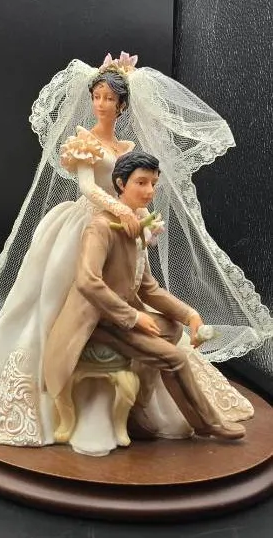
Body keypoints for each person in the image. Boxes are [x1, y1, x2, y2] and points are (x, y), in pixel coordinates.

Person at [0, 53, 259, 450]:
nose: (102, 104)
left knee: (152, 308)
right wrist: (121, 210)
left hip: (126, 227)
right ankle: (66, 373)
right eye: (98, 97)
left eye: (110, 98)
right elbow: (89, 188)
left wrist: (137, 221)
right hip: (90, 221)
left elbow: (146, 284)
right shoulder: (84, 143)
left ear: (122, 105)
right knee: (52, 296)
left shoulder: (128, 151)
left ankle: (141, 407)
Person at [44, 151, 244, 440]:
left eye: (153, 183)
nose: (150, 190)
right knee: (175, 358)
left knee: (172, 328)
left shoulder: (137, 226)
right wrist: (134, 317)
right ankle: (207, 423)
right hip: (99, 320)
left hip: (120, 317)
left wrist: (190, 315)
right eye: (141, 182)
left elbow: (148, 287)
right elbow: (87, 281)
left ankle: (138, 407)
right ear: (120, 184)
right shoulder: (101, 227)